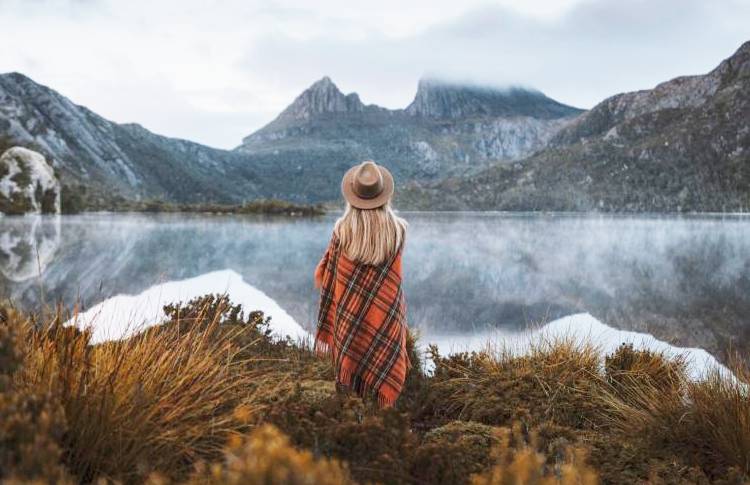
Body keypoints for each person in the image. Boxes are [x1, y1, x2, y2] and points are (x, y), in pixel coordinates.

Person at [314, 160, 411, 408]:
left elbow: (328, 274)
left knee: (349, 373)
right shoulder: (398, 230)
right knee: (381, 360)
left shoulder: (342, 230)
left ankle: (352, 410)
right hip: (385, 313)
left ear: (353, 196)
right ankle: (379, 410)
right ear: (383, 195)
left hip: (350, 313)